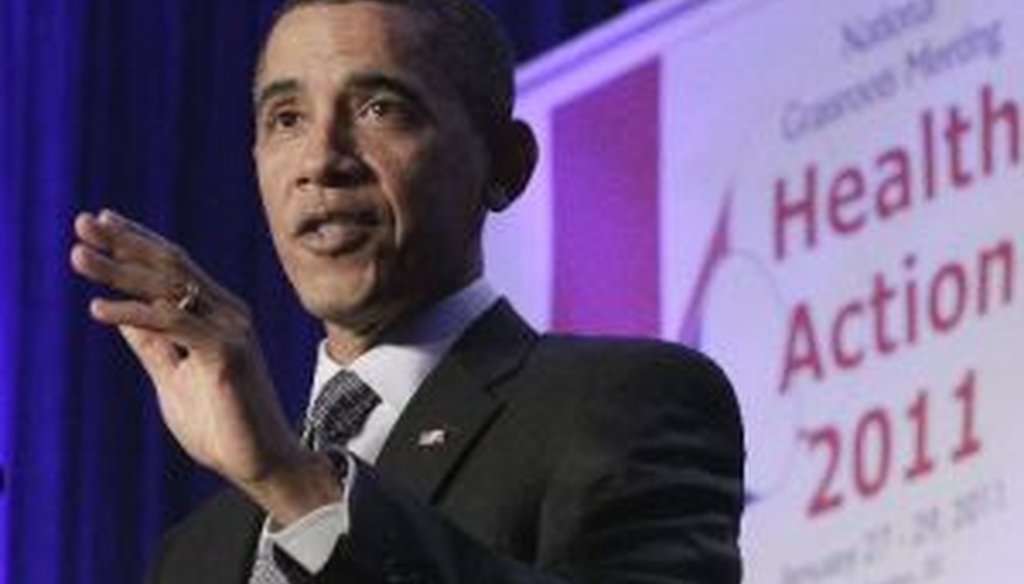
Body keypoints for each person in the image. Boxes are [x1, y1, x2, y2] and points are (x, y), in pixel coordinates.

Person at [69, 0, 745, 582]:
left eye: (378, 108)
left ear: (504, 164)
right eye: (286, 119)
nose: (321, 161)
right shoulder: (193, 555)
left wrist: (293, 482)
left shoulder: (626, 403)